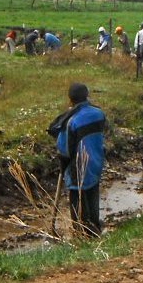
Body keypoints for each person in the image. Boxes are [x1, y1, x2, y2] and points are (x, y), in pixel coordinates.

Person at [48, 83, 106, 237]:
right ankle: (95, 230)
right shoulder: (99, 113)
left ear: (70, 99)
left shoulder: (71, 121)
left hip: (77, 166)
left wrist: (62, 162)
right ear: (87, 95)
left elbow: (64, 149)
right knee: (92, 194)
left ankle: (81, 234)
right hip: (95, 161)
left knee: (77, 200)